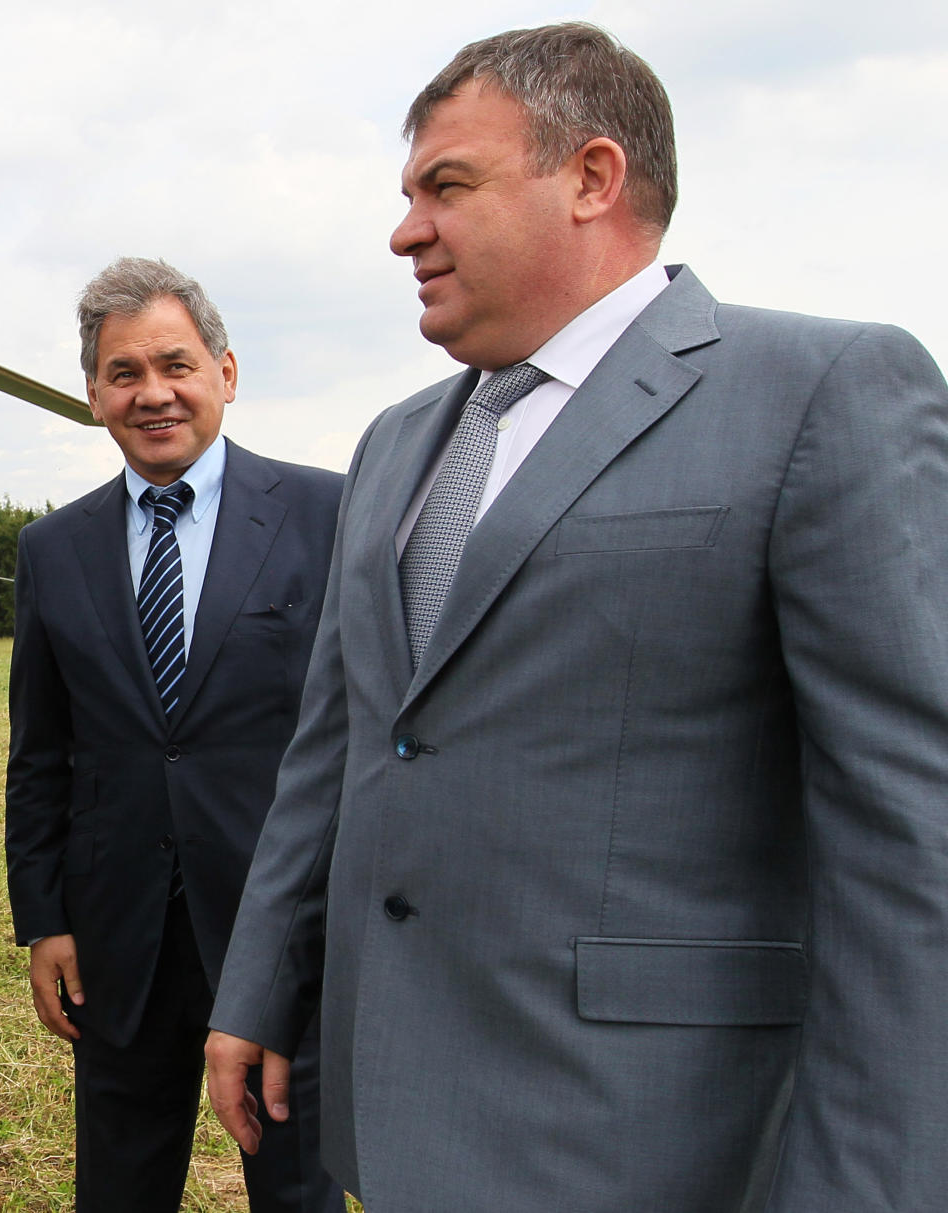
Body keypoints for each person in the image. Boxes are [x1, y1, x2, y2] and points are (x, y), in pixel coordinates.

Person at [206, 23, 948, 1213]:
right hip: (393, 1117)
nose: (405, 230)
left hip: (655, 1140)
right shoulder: (396, 443)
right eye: (406, 195)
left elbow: (908, 840)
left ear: (592, 178)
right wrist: (260, 987)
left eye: (447, 185)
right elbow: (336, 747)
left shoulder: (822, 394)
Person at [5, 257, 346, 1213]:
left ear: (225, 373)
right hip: (121, 937)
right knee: (119, 1183)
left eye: (176, 364)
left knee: (295, 1186)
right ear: (94, 394)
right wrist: (44, 917)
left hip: (278, 927)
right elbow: (38, 754)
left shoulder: (327, 512)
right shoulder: (52, 550)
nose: (152, 393)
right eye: (124, 373)